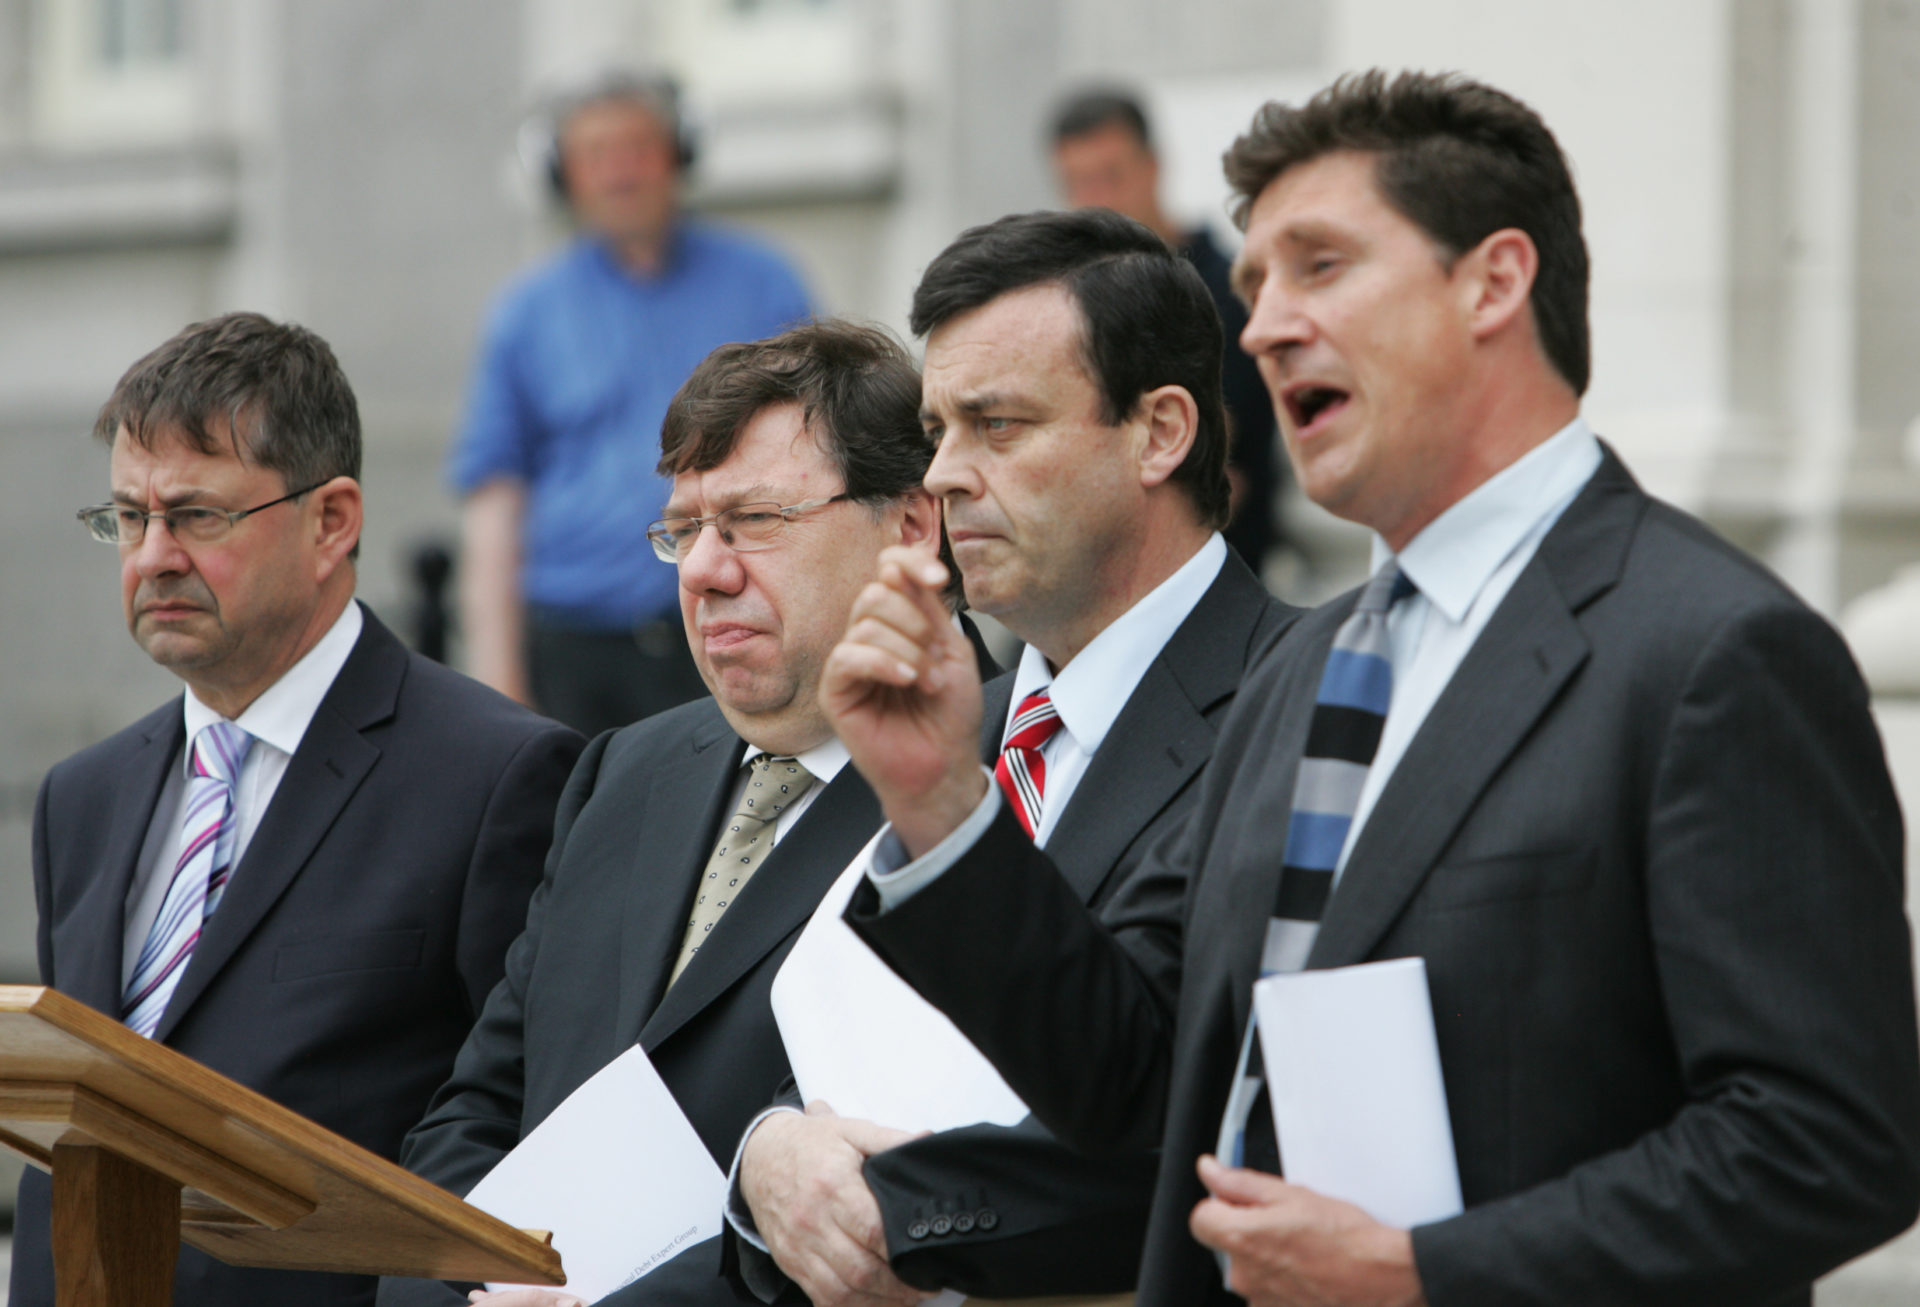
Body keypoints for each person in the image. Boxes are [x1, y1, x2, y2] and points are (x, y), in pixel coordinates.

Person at [824, 70, 1920, 1307]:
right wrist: (939, 804)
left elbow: (1832, 1142)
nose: (1266, 327)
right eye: (1255, 287)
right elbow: (1135, 1079)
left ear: (1493, 282)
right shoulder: (1303, 668)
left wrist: (1423, 1274)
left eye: (1321, 267)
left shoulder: (1714, 650)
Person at [730, 209, 1298, 1307]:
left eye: (996, 425)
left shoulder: (1290, 702)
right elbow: (823, 1041)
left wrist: (884, 1212)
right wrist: (766, 1154)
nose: (942, 474)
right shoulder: (942, 718)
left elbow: (1170, 1112)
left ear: (1160, 432)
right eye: (939, 428)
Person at [380, 320, 971, 1307]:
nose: (702, 569)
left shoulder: (996, 787)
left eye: (755, 518)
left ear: (912, 524)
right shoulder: (624, 770)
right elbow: (481, 1105)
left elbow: (892, 1195)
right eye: (685, 528)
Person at [15, 312, 582, 1307]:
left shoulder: (498, 776)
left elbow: (532, 1128)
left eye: (197, 515)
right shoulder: (84, 796)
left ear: (333, 521)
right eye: (128, 517)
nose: (152, 557)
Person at [454, 71, 813, 738]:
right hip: (571, 647)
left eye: (638, 148)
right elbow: (495, 501)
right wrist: (498, 682)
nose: (620, 172)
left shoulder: (765, 283)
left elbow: (816, 463)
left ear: (679, 154)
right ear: (563, 175)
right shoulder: (525, 313)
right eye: (596, 154)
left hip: (727, 622)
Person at [1052, 87, 1284, 575]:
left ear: (1153, 166)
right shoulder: (1060, 306)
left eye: (1110, 176)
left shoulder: (1230, 293)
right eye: (1077, 183)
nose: (1097, 200)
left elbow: (1219, 460)